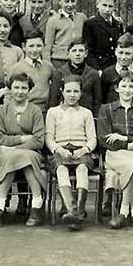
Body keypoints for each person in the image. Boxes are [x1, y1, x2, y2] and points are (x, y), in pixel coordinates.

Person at [0, 72, 46, 227]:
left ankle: (0, 207)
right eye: (16, 87)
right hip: (7, 153)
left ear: (29, 90)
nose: (20, 91)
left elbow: (39, 141)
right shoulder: (1, 110)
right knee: (14, 158)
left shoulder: (35, 111)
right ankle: (36, 203)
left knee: (21, 157)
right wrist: (24, 138)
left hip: (29, 153)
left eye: (24, 88)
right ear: (10, 89)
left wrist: (13, 146)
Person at [97, 72, 133, 230]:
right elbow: (104, 138)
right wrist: (128, 145)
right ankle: (123, 212)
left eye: (131, 86)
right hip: (115, 154)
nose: (127, 90)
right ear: (116, 88)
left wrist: (123, 138)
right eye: (124, 86)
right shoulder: (106, 109)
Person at [45, 74, 97, 231]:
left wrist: (85, 149)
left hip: (81, 151)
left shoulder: (86, 113)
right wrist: (58, 149)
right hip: (60, 151)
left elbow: (92, 138)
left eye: (76, 91)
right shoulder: (53, 112)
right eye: (68, 91)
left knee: (82, 169)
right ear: (62, 91)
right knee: (61, 169)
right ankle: (72, 210)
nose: (72, 95)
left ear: (81, 93)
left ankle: (79, 211)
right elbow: (49, 137)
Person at [48, 39, 102, 116]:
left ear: (86, 53)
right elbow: (53, 100)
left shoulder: (93, 74)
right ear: (68, 53)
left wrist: (95, 118)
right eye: (74, 51)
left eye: (81, 51)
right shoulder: (59, 73)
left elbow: (97, 101)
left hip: (86, 116)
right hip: (64, 117)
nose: (77, 54)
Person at [9, 30, 54, 115]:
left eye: (39, 46)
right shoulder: (17, 68)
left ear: (44, 46)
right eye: (31, 46)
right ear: (23, 46)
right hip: (24, 111)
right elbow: (9, 93)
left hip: (44, 111)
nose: (35, 50)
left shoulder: (48, 67)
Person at [43, 0, 87, 68]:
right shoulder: (53, 20)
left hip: (77, 59)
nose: (70, 5)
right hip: (59, 60)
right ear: (60, 2)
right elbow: (48, 45)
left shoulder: (82, 18)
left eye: (73, 1)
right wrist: (48, 64)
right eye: (66, 1)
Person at [82, 0, 125, 71]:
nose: (107, 10)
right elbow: (89, 51)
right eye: (104, 5)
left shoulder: (118, 25)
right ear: (97, 5)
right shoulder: (90, 24)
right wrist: (97, 70)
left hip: (115, 67)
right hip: (99, 67)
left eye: (110, 6)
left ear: (114, 7)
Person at [100, 33, 133, 105]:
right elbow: (103, 98)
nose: (123, 57)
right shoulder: (107, 73)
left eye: (128, 53)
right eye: (120, 53)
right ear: (115, 52)